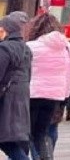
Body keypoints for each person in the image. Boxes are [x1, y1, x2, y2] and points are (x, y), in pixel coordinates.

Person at [23, 14, 70, 160]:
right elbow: (69, 74)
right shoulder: (66, 47)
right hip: (54, 96)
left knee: (26, 133)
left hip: (31, 95)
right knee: (41, 133)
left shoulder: (30, 46)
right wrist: (64, 97)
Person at [0, 15, 31, 160]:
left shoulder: (4, 48)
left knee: (7, 143)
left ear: (6, 30)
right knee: (9, 141)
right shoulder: (26, 49)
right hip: (19, 100)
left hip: (5, 101)